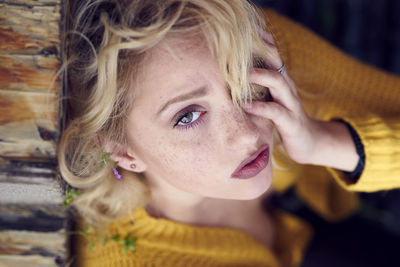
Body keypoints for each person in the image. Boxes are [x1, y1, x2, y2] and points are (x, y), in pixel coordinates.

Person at [58, 0, 400, 266]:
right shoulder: (141, 260)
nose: (247, 135)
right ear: (123, 152)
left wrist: (320, 141)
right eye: (188, 116)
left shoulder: (253, 49)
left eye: (241, 82)